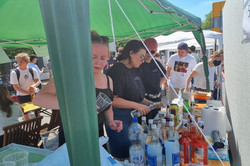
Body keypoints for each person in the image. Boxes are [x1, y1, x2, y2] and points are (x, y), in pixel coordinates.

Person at [33, 31, 123, 145]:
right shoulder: (70, 76)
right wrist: (76, 105)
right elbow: (38, 99)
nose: (98, 62)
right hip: (72, 140)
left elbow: (108, 108)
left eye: (103, 58)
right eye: (93, 57)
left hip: (97, 137)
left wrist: (111, 122)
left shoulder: (108, 79)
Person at [106, 40, 154, 160]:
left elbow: (139, 98)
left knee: (135, 152)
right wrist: (136, 105)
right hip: (118, 119)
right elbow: (113, 100)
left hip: (132, 119)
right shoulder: (116, 70)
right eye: (141, 56)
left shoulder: (135, 70)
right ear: (131, 53)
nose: (143, 60)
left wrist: (152, 104)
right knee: (123, 156)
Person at [140, 37, 166, 121]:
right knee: (145, 124)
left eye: (152, 52)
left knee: (156, 122)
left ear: (156, 51)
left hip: (157, 99)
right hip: (144, 100)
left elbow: (165, 74)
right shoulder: (139, 63)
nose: (149, 54)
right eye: (147, 51)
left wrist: (158, 85)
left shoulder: (156, 63)